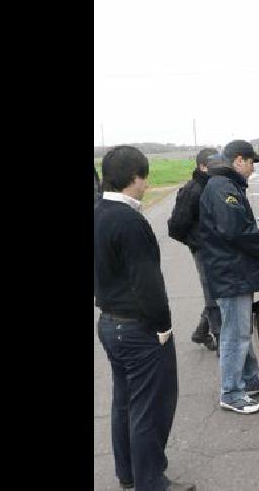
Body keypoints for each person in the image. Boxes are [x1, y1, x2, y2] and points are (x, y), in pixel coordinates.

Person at [94, 146, 194, 491]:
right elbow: (147, 283)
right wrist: (163, 326)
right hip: (138, 328)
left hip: (109, 321)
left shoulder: (98, 212)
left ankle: (129, 473)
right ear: (133, 178)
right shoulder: (129, 221)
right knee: (150, 408)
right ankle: (151, 481)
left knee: (124, 403)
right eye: (143, 178)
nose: (147, 185)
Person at [198, 140, 259, 414]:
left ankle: (249, 379)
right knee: (235, 334)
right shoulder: (223, 188)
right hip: (229, 272)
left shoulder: (226, 185)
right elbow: (236, 231)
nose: (253, 168)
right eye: (251, 162)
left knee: (241, 330)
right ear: (239, 161)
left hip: (235, 269)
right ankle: (231, 392)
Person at [167, 148, 222, 352]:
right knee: (213, 296)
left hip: (217, 250)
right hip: (204, 250)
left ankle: (201, 331)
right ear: (202, 166)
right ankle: (221, 339)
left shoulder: (214, 185)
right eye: (214, 164)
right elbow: (176, 227)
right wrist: (197, 243)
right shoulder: (193, 189)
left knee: (219, 292)